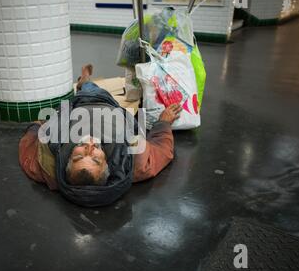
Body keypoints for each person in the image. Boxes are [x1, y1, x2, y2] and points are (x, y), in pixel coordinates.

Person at [19, 64, 182, 206]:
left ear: (67, 161)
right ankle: (85, 82)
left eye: (78, 157)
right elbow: (163, 149)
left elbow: (27, 148)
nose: (88, 148)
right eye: (95, 158)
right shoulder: (136, 164)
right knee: (96, 90)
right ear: (107, 166)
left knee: (86, 89)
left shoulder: (45, 168)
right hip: (104, 103)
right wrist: (164, 122)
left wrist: (35, 126)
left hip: (76, 104)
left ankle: (84, 81)